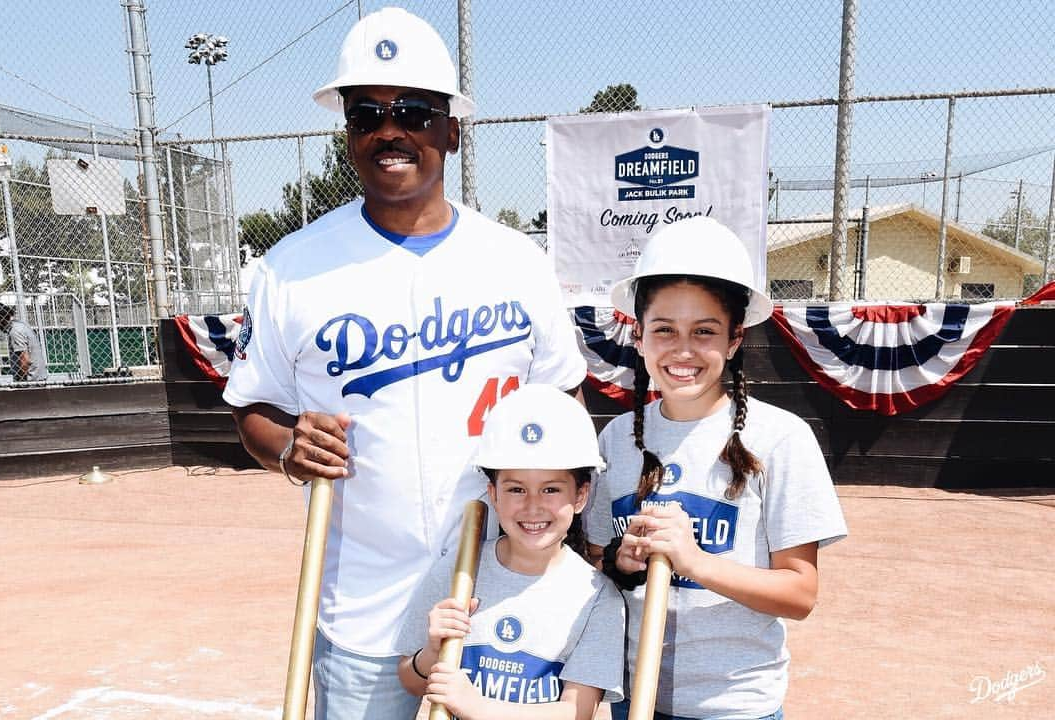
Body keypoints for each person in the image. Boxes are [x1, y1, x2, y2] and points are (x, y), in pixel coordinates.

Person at [222, 8, 586, 719]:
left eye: (414, 112)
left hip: (504, 605)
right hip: (361, 614)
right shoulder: (290, 268)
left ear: (452, 129)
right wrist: (292, 448)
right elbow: (254, 408)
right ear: (348, 134)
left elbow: (565, 412)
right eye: (368, 115)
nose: (391, 131)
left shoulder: (517, 262)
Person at [585, 217, 848, 720]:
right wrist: (621, 564)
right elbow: (597, 559)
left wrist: (695, 561)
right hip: (634, 697)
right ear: (638, 337)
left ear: (733, 340)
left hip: (737, 706)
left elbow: (800, 593)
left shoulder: (780, 438)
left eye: (704, 332)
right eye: (664, 330)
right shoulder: (616, 438)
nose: (683, 350)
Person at [396, 384, 624, 719]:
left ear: (581, 496)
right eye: (516, 489)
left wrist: (478, 708)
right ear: (493, 493)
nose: (533, 506)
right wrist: (432, 654)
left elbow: (578, 713)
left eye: (551, 489)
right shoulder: (460, 570)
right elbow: (411, 680)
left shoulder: (596, 599)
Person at [0, 302, 49, 382]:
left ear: (0, 317)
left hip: (31, 381)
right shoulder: (20, 325)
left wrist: (21, 382)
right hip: (37, 378)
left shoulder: (15, 331)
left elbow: (25, 360)